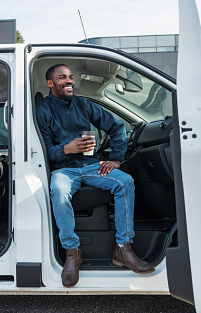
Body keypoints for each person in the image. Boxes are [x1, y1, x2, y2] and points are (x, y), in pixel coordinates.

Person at [36, 64, 155, 288]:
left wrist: (117, 159)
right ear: (51, 83)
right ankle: (72, 252)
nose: (69, 81)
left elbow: (117, 128)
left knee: (125, 181)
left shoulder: (84, 104)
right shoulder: (43, 112)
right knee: (59, 190)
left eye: (70, 77)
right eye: (62, 78)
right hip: (63, 169)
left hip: (91, 165)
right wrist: (66, 149)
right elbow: (43, 151)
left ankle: (123, 249)